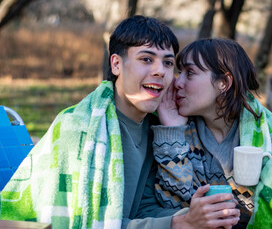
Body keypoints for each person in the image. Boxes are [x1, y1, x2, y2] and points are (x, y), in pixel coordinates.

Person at [0, 16, 239, 229]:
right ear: (116, 64)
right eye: (146, 59)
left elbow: (143, 209)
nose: (160, 71)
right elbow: (82, 222)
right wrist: (180, 223)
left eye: (168, 63)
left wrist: (195, 218)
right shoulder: (81, 131)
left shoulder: (153, 129)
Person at [154, 38, 272, 228]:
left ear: (224, 83)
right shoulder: (179, 130)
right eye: (180, 72)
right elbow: (172, 205)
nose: (177, 82)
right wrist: (171, 132)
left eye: (190, 73)